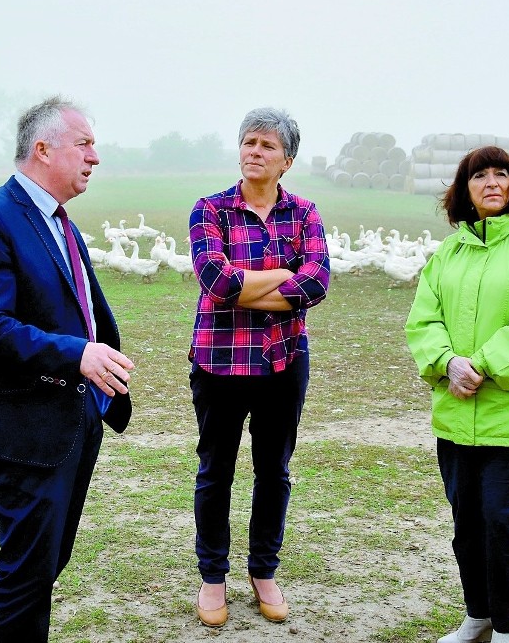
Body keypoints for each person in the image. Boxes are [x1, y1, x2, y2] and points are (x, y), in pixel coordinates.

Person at [0, 96, 135, 641]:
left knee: (42, 569)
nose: (95, 157)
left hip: (68, 421)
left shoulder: (60, 223)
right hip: (19, 430)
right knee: (25, 579)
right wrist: (77, 354)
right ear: (42, 148)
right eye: (85, 144)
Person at [405, 146, 509, 643]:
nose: (491, 182)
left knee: (502, 523)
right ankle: (478, 617)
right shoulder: (447, 254)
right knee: (467, 525)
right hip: (456, 416)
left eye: (501, 174)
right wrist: (446, 362)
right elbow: (423, 320)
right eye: (480, 175)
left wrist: (481, 365)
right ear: (464, 188)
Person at [188, 107, 330, 628]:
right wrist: (283, 279)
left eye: (268, 146)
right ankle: (213, 577)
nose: (255, 152)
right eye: (249, 142)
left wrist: (254, 286)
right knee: (215, 471)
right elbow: (216, 284)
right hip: (219, 362)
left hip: (283, 363)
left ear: (287, 160)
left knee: (274, 470)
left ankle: (263, 570)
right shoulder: (209, 210)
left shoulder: (306, 214)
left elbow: (315, 285)